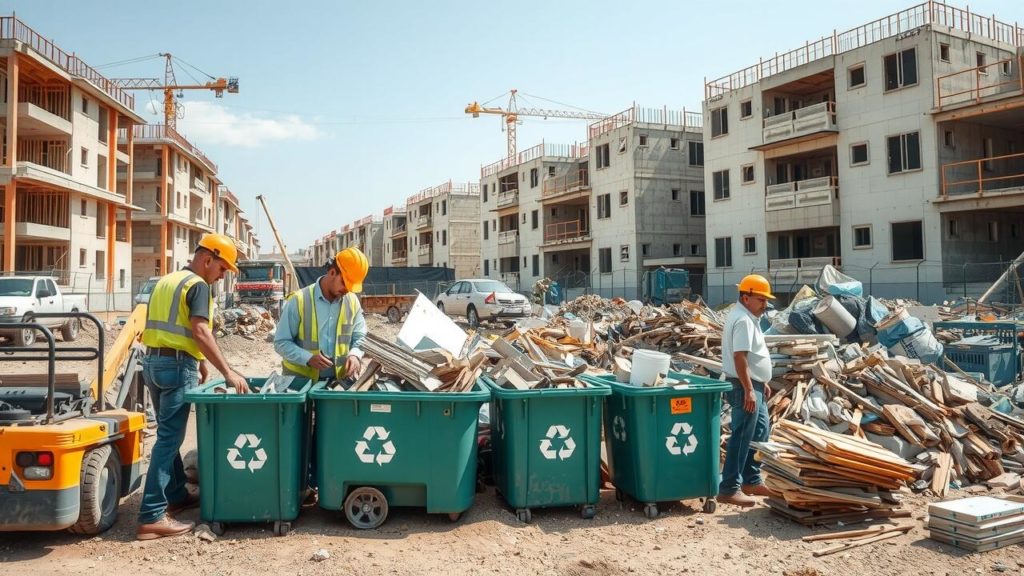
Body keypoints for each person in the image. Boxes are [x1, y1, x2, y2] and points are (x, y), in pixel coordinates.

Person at [137, 234, 251, 540]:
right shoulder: (199, 285)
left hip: (153, 363)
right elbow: (200, 330)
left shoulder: (168, 280)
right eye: (223, 268)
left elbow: (175, 325)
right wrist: (228, 371)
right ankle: (151, 515)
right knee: (168, 441)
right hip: (175, 368)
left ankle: (175, 495)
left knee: (166, 434)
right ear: (207, 259)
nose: (223, 274)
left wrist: (199, 361)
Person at [717, 274, 775, 508]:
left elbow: (749, 356)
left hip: (753, 384)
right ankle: (729, 488)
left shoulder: (746, 317)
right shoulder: (742, 320)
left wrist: (761, 381)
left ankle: (751, 480)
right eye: (761, 299)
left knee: (760, 433)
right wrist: (750, 389)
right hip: (745, 387)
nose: (765, 304)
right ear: (746, 297)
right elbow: (739, 356)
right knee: (742, 437)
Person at [275, 246, 369, 382]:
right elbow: (281, 342)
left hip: (337, 383)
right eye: (344, 282)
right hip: (300, 384)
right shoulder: (299, 300)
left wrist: (355, 355)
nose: (347, 289)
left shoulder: (352, 301)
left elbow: (360, 337)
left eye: (351, 286)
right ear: (332, 272)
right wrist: (307, 358)